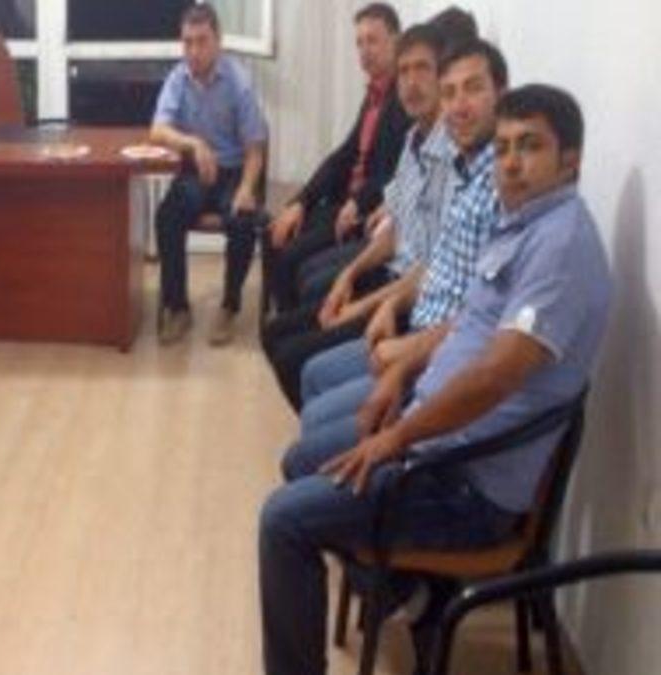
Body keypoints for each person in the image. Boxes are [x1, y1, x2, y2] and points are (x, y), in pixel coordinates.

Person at [259, 83, 611, 675]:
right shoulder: (523, 223)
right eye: (504, 147)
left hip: (467, 486)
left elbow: (497, 375)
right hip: (438, 443)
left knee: (283, 520)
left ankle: (399, 602)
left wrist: (397, 438)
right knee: (303, 459)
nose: (511, 162)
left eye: (530, 146)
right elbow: (469, 323)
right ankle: (414, 597)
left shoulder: (561, 247)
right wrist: (403, 371)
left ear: (570, 161)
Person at [281, 39, 508, 473]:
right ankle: (334, 470)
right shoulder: (453, 164)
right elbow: (421, 247)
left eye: (473, 89)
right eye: (451, 92)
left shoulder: (497, 187)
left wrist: (402, 348)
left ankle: (342, 471)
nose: (459, 105)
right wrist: (374, 295)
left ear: (502, 93)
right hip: (413, 311)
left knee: (302, 418)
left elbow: (484, 319)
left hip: (435, 349)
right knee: (305, 301)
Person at [261, 24, 455, 408]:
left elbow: (428, 271)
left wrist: (361, 306)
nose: (411, 82)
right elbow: (395, 227)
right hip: (389, 275)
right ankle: (321, 416)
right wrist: (348, 275)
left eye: (422, 69)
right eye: (405, 71)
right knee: (277, 333)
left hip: (410, 302)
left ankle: (327, 422)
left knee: (292, 355)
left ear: (441, 79)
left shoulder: (452, 156)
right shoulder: (414, 139)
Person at [263, 3, 411, 314]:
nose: (364, 51)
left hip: (363, 213)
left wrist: (356, 202)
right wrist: (301, 201)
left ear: (396, 42)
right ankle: (280, 321)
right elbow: (344, 155)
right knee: (275, 231)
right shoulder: (375, 93)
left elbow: (393, 173)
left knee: (290, 257)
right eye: (359, 42)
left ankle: (291, 324)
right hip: (345, 201)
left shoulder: (404, 99)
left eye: (372, 40)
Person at [150, 4, 269, 346]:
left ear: (218, 42)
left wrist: (247, 188)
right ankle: (178, 307)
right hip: (196, 172)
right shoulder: (178, 78)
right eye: (187, 42)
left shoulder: (239, 82)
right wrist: (193, 143)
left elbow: (256, 148)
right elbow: (157, 130)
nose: (194, 51)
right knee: (167, 217)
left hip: (234, 171)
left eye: (202, 41)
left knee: (242, 221)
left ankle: (229, 306)